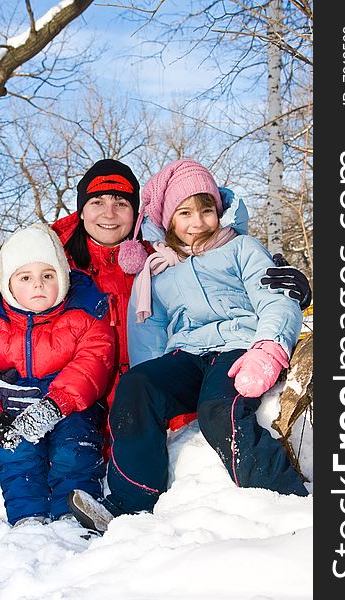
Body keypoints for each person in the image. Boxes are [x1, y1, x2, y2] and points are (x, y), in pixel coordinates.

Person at [66, 158, 309, 534]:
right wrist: (156, 391)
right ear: (168, 220)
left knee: (219, 410)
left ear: (219, 210)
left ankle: (285, 497)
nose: (198, 223)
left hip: (237, 349)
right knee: (138, 385)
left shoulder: (241, 248)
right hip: (187, 356)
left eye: (206, 210)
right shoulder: (158, 271)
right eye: (185, 213)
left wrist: (267, 348)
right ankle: (131, 503)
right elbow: (149, 337)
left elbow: (274, 298)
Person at [0, 224, 114, 527]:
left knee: (73, 450)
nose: (38, 285)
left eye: (47, 276)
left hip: (69, 407)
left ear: (62, 278)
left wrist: (57, 404)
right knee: (17, 456)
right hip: (14, 407)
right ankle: (28, 518)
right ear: (8, 284)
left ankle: (74, 512)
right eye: (25, 277)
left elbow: (94, 361)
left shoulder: (84, 315)